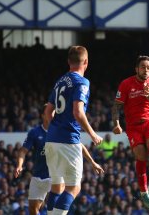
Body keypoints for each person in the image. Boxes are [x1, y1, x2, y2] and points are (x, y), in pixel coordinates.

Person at [44, 46, 103, 215]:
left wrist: (57, 128)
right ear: (86, 62)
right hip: (68, 141)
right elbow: (78, 112)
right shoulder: (82, 82)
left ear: (68, 62)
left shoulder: (60, 81)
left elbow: (48, 112)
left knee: (57, 186)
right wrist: (92, 134)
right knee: (73, 188)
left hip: (51, 139)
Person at [14, 104, 104, 215]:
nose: (53, 115)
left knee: (56, 205)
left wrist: (92, 162)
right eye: (51, 112)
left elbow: (78, 145)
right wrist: (19, 165)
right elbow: (23, 151)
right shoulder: (35, 132)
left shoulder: (61, 130)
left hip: (55, 175)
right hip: (38, 175)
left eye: (55, 113)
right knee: (33, 209)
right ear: (43, 115)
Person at [112, 55, 149, 210]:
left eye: (148, 67)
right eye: (143, 67)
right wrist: (116, 124)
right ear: (136, 69)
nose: (146, 70)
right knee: (140, 155)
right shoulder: (126, 84)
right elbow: (116, 106)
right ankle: (144, 192)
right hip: (132, 126)